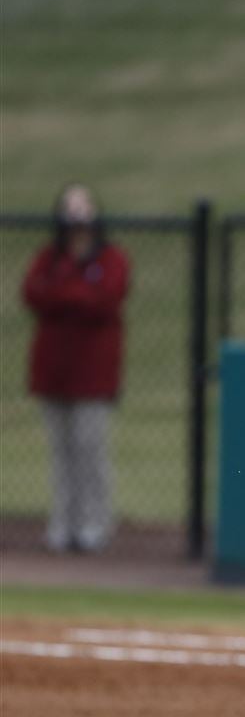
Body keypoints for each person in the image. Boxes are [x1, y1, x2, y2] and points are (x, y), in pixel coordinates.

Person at [21, 184, 130, 554]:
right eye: (70, 207)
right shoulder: (49, 258)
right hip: (54, 370)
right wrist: (74, 292)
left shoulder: (111, 259)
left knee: (90, 450)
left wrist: (64, 294)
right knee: (60, 453)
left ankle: (94, 524)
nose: (76, 217)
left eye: (83, 207)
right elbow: (34, 293)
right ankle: (63, 523)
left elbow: (105, 300)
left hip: (94, 374)